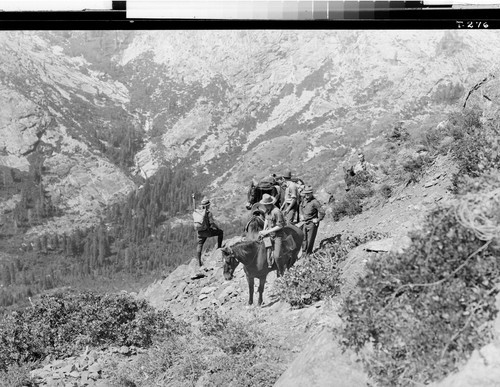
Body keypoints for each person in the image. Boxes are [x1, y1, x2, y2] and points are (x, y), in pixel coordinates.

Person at [258, 194, 286, 269]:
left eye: (265, 204)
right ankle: (269, 263)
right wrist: (264, 229)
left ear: (270, 204)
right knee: (264, 250)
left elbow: (280, 226)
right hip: (270, 233)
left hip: (278, 235)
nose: (264, 206)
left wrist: (267, 232)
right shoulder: (267, 210)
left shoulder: (276, 211)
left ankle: (281, 270)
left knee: (277, 256)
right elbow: (267, 219)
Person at [196, 197, 223, 267]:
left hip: (200, 232)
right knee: (220, 232)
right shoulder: (208, 213)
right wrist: (217, 228)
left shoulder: (198, 212)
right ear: (207, 205)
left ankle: (199, 262)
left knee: (200, 245)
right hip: (207, 232)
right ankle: (219, 248)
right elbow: (212, 223)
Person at [299, 186, 325, 256]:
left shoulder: (315, 202)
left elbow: (322, 212)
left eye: (308, 194)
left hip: (311, 224)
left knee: (310, 240)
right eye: (305, 193)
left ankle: (307, 255)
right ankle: (303, 254)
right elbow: (300, 207)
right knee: (303, 239)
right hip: (304, 222)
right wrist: (301, 214)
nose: (307, 195)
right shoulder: (304, 200)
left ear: (311, 193)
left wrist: (318, 219)